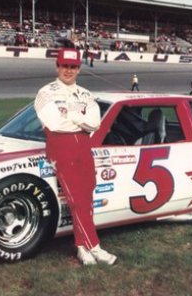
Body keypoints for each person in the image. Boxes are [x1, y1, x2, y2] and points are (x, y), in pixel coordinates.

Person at [34, 48, 117, 266]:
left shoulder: (86, 94)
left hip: (84, 147)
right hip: (61, 148)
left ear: (79, 69)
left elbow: (95, 123)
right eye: (64, 66)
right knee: (77, 199)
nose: (68, 71)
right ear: (57, 67)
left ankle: (82, 246)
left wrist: (69, 114)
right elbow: (54, 124)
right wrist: (80, 117)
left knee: (87, 196)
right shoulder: (46, 92)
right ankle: (94, 246)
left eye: (72, 67)